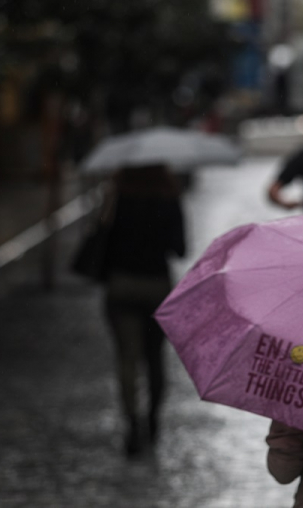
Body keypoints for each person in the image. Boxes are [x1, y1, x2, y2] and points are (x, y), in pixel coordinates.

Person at [102, 164, 186, 456]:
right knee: (154, 359)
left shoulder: (118, 197)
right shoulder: (168, 197)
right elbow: (181, 247)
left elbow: (103, 241)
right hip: (157, 288)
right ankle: (152, 419)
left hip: (122, 285)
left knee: (127, 359)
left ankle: (131, 423)